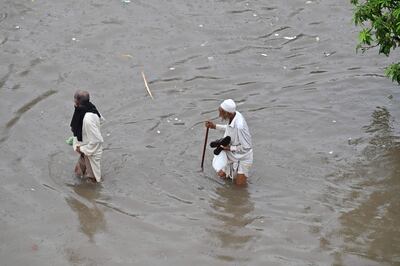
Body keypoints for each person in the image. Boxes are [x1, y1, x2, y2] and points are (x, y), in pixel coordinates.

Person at [205, 99, 253, 186]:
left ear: (229, 113)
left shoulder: (240, 126)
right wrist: (214, 126)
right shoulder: (234, 115)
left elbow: (247, 147)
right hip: (231, 153)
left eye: (222, 113)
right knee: (221, 176)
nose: (220, 115)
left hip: (243, 157)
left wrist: (229, 148)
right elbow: (229, 128)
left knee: (239, 186)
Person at [70, 90, 104, 182]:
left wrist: (82, 149)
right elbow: (100, 120)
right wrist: (76, 138)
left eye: (74, 100)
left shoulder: (88, 119)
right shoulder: (89, 108)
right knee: (78, 172)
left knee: (93, 181)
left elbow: (97, 141)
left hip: (91, 152)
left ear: (77, 101)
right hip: (84, 148)